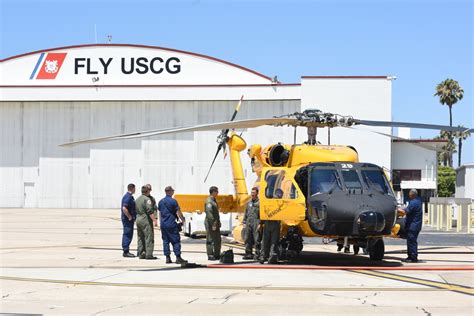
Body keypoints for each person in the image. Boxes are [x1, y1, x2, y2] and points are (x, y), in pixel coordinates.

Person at [158, 186, 187, 264]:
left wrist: (161, 223)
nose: (173, 192)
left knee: (165, 241)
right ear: (170, 191)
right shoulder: (173, 201)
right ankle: (178, 257)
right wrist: (183, 219)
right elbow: (178, 212)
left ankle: (167, 258)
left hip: (163, 224)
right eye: (172, 191)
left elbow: (160, 213)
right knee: (176, 240)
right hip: (171, 224)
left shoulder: (161, 202)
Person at [399, 189, 423, 263]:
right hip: (416, 225)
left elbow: (405, 212)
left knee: (412, 242)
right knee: (410, 241)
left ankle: (413, 258)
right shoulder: (418, 202)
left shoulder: (413, 203)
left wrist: (397, 210)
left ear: (412, 195)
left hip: (413, 226)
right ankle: (410, 256)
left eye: (409, 194)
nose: (409, 195)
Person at [135, 185, 158, 260]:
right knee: (149, 236)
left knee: (140, 237)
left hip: (138, 219)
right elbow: (150, 211)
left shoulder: (138, 199)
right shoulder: (147, 199)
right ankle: (149, 254)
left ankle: (141, 253)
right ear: (147, 191)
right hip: (145, 219)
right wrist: (155, 220)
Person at [242, 187, 261, 260]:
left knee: (257, 239)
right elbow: (246, 213)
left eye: (254, 193)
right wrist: (244, 222)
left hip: (256, 222)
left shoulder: (259, 203)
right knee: (247, 238)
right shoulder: (249, 203)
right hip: (248, 222)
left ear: (257, 193)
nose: (252, 194)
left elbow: (261, 215)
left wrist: (260, 223)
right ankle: (248, 254)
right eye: (251, 192)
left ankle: (257, 255)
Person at [205, 186, 221, 260]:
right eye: (217, 191)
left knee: (217, 239)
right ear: (213, 192)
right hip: (211, 223)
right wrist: (213, 224)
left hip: (215, 222)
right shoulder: (209, 201)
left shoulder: (214, 200)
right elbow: (209, 213)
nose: (218, 193)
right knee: (210, 238)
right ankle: (210, 254)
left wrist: (218, 222)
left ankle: (217, 254)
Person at [121, 183, 136, 258]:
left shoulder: (128, 196)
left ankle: (126, 250)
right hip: (127, 220)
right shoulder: (128, 197)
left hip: (127, 220)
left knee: (128, 234)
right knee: (127, 234)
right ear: (133, 189)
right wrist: (129, 216)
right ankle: (126, 251)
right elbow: (124, 208)